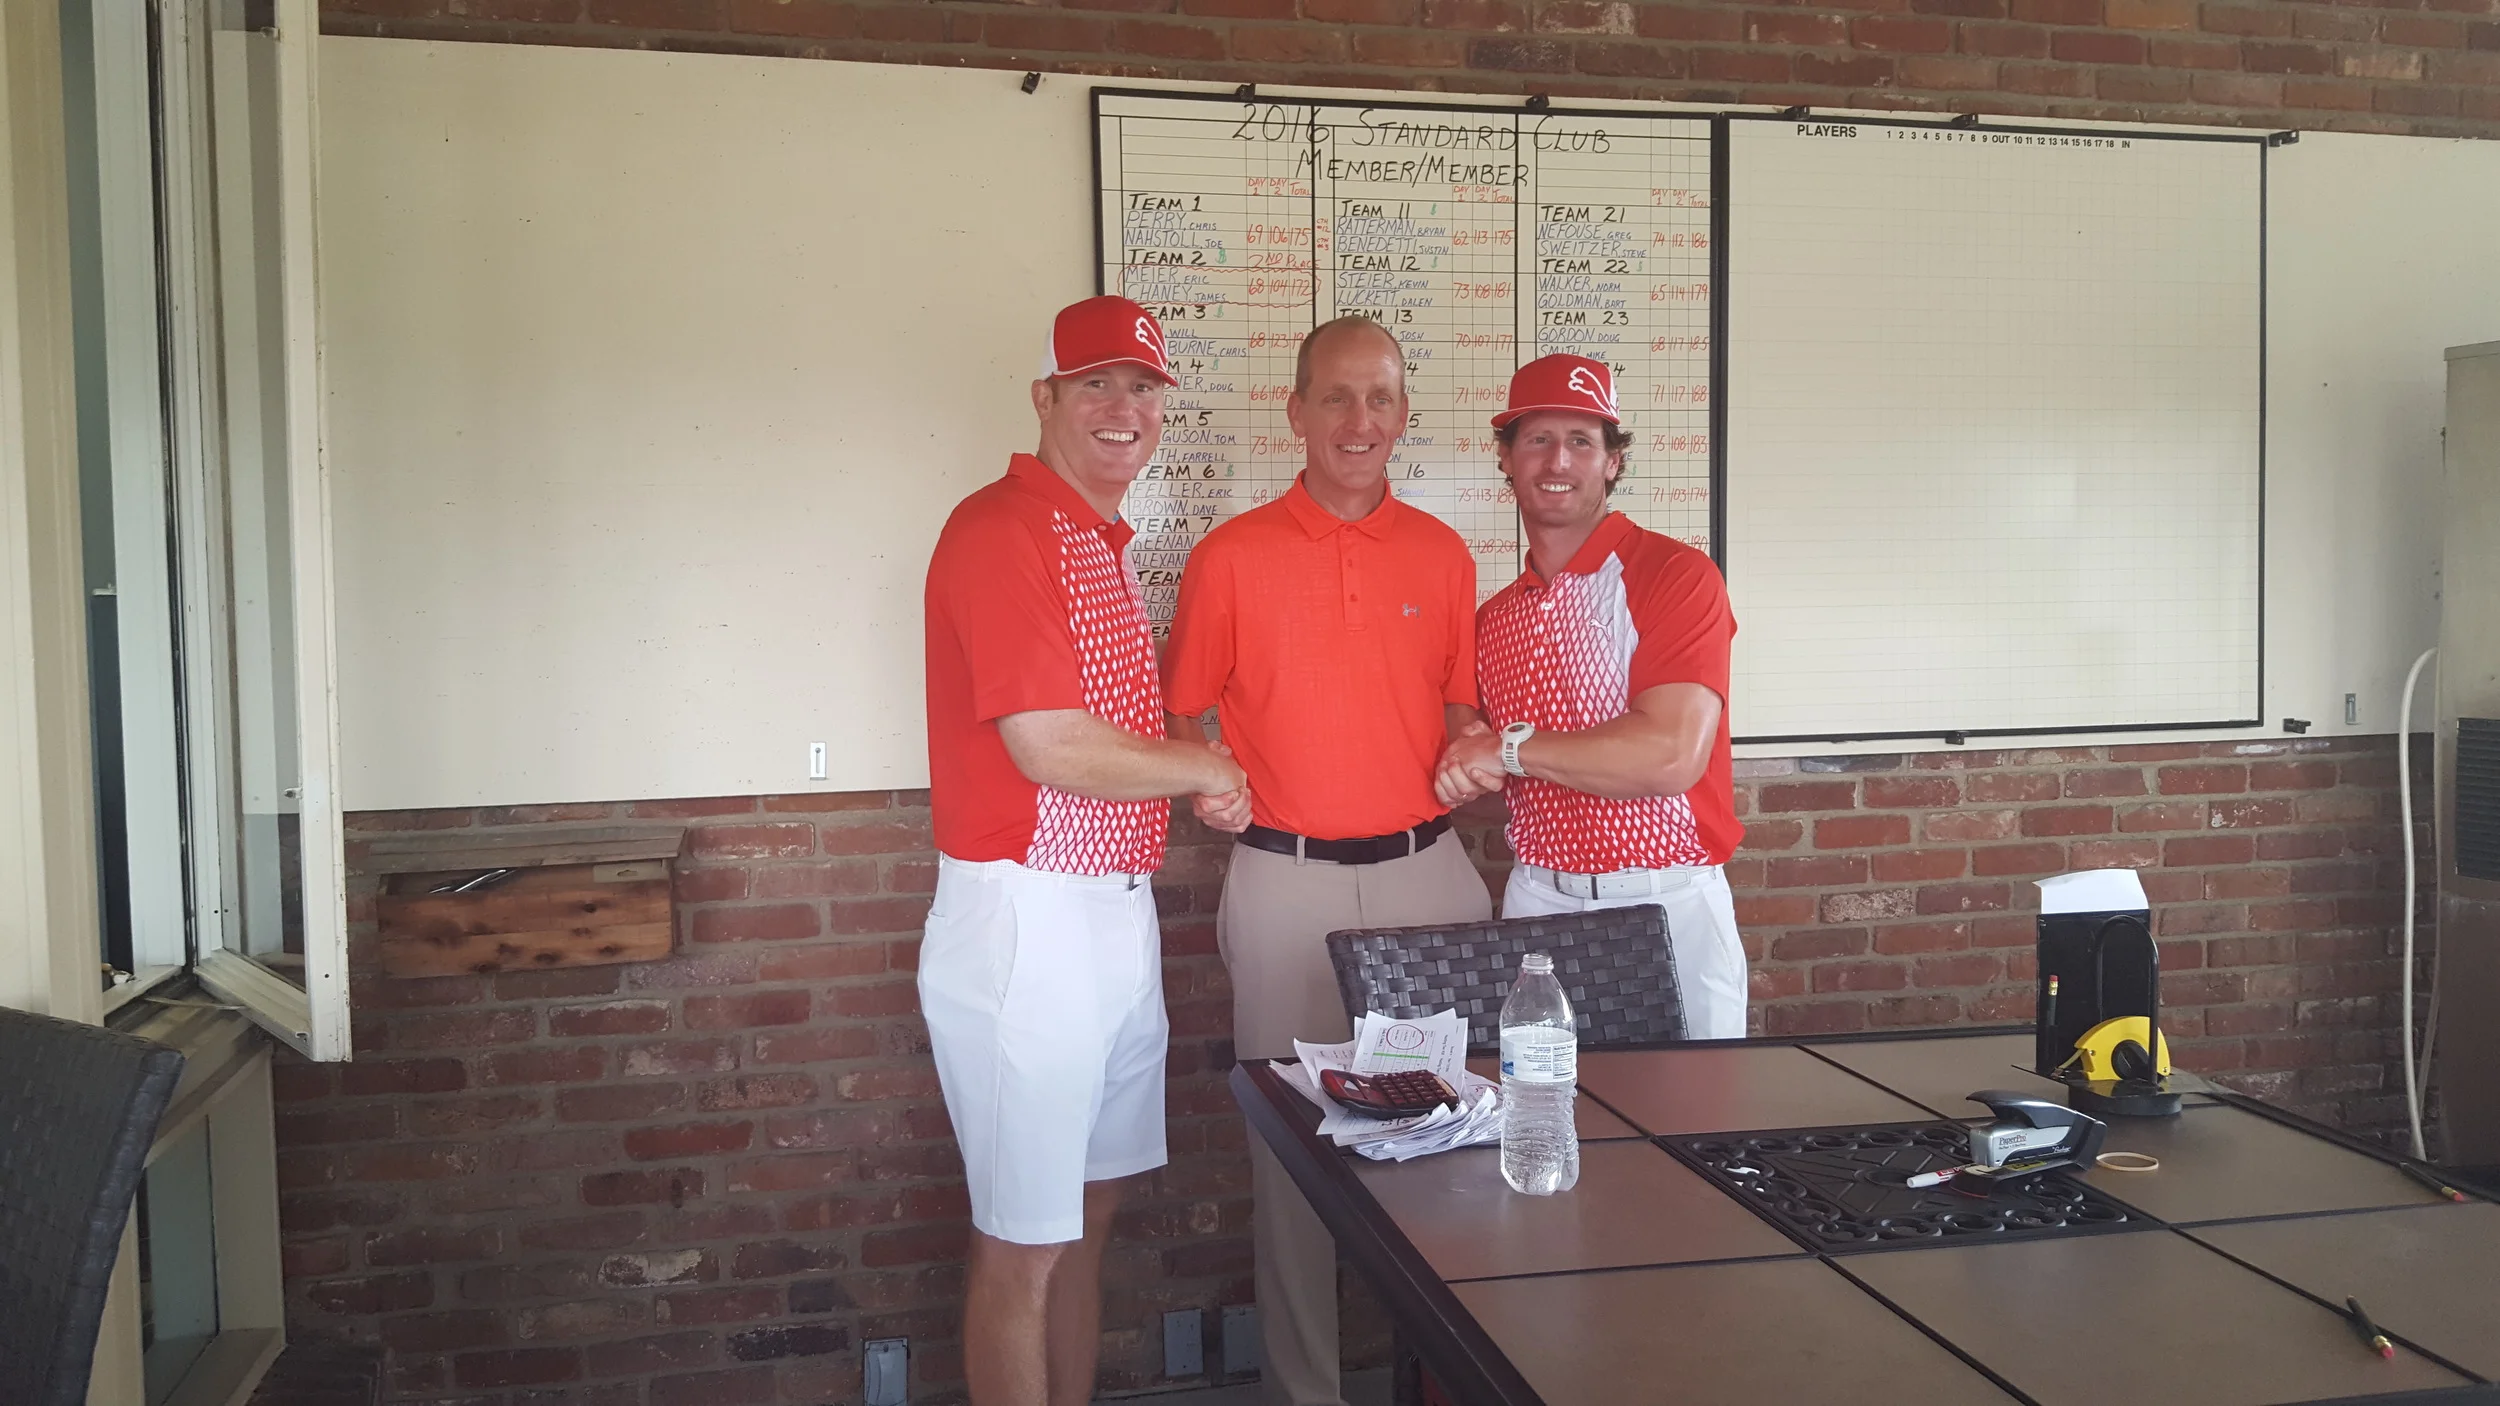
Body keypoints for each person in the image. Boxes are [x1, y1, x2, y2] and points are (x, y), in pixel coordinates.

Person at [920, 295, 1253, 1406]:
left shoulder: (1098, 540)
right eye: (1096, 383)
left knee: (1088, 1213)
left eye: (1143, 387)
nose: (1124, 406)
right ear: (1046, 397)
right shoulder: (1001, 528)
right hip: (1027, 916)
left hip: (1113, 909)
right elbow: (1050, 744)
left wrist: (1191, 768)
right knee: (1022, 1242)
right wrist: (1204, 767)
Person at [1162, 315, 1494, 1406]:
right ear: (1295, 410)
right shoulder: (1229, 556)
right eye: (1337, 397)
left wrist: (1471, 747)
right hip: (1284, 879)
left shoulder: (1443, 555)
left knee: (1448, 1135)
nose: (1360, 420)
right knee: (1294, 1150)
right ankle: (1308, 1392)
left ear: (1403, 413)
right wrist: (1206, 774)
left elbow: (1459, 709)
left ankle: (1444, 1381)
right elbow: (1183, 711)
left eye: (1381, 397)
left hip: (1426, 874)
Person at [1435, 353, 1750, 1038]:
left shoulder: (1674, 575)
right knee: (1538, 1097)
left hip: (1668, 899)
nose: (1559, 460)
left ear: (1613, 461)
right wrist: (1466, 767)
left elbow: (1669, 756)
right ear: (1507, 458)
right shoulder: (1495, 618)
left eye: (1582, 441)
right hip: (1537, 899)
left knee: (1693, 1103)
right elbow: (1475, 764)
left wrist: (1507, 751)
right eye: (1538, 439)